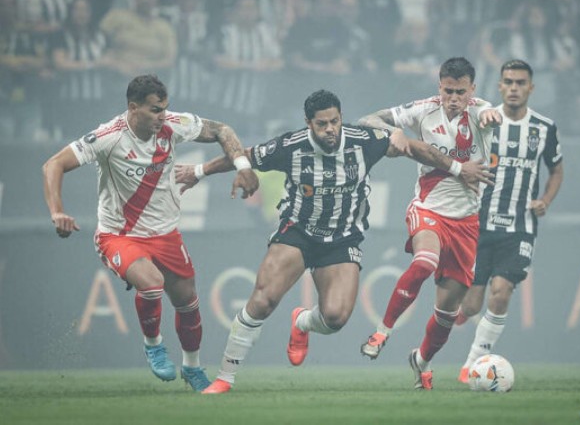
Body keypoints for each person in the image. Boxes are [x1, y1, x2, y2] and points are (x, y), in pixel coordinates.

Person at [173, 89, 494, 394]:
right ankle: (225, 378)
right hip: (297, 232)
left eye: (335, 121)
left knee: (336, 317)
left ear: (341, 118)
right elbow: (244, 156)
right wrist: (199, 171)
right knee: (263, 299)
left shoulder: (364, 141)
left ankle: (301, 321)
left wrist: (450, 165)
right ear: (308, 123)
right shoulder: (291, 146)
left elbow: (414, 149)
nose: (330, 130)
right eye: (322, 124)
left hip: (342, 240)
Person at [42, 74, 259, 392]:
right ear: (133, 108)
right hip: (119, 235)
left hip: (166, 234)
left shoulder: (173, 124)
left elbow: (221, 130)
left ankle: (193, 367)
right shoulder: (108, 136)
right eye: (156, 110)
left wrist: (242, 166)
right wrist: (57, 212)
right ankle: (153, 344)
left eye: (165, 108)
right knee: (152, 283)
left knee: (188, 303)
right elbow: (53, 165)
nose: (163, 116)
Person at [358, 57, 503, 390]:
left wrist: (493, 114)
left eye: (461, 92)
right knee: (424, 262)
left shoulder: (481, 111)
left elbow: (489, 114)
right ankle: (382, 332)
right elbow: (366, 120)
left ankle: (420, 361)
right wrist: (393, 129)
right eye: (448, 90)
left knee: (447, 313)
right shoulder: (423, 109)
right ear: (439, 86)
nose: (454, 98)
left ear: (473, 90)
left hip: (466, 222)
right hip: (428, 209)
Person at [454, 59, 564, 384]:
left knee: (501, 291)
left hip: (520, 228)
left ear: (531, 87)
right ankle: (463, 314)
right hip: (479, 225)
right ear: (499, 86)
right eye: (508, 82)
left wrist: (544, 200)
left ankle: (472, 362)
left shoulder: (544, 128)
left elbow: (556, 169)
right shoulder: (485, 121)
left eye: (520, 83)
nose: (514, 88)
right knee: (472, 305)